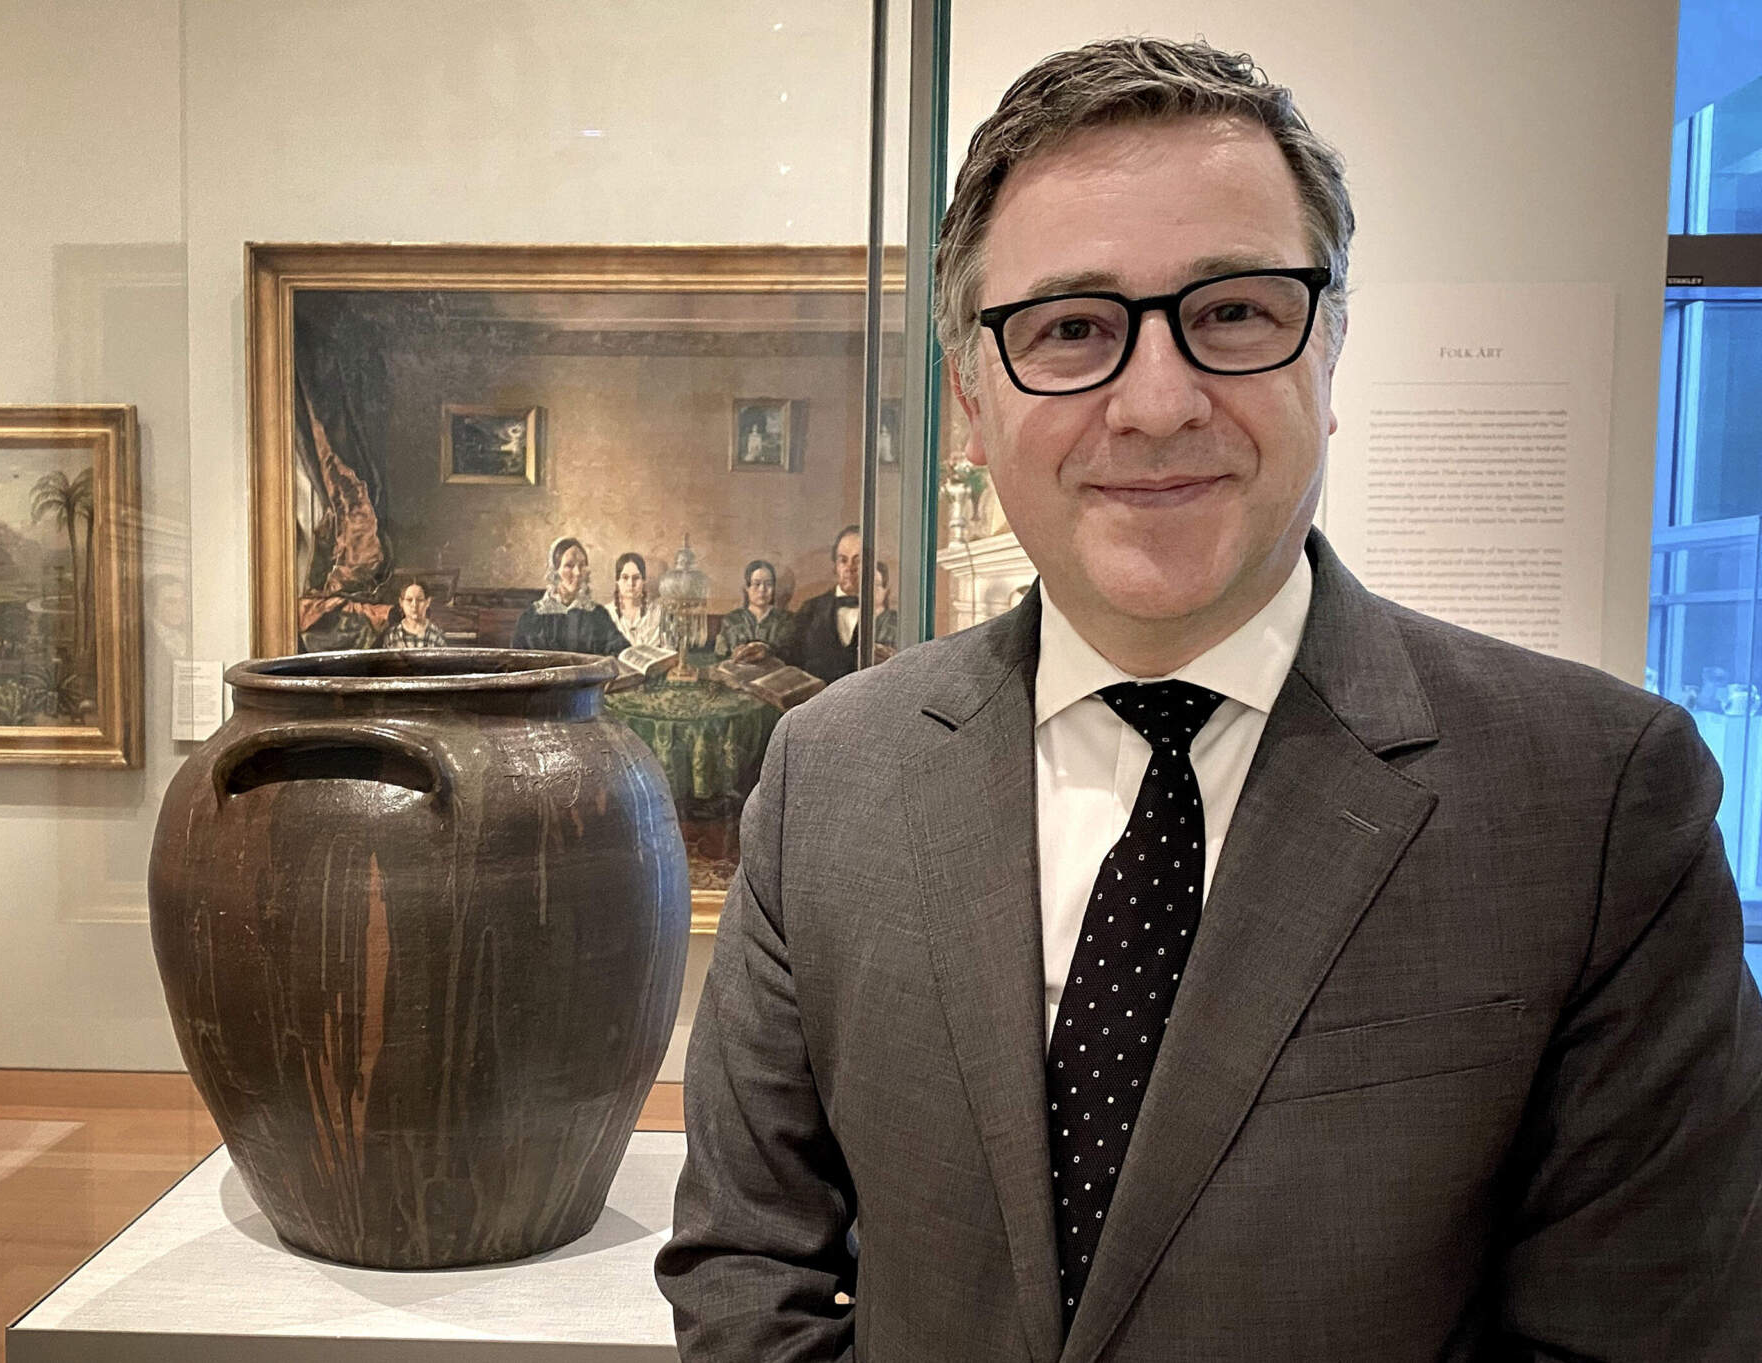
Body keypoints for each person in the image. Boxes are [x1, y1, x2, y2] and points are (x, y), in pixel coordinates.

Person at [659, 37, 1762, 1362]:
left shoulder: (1593, 798)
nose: (1157, 402)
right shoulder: (830, 772)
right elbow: (747, 1264)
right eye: (1071, 328)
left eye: (1233, 311)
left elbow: (1639, 1329)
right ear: (969, 397)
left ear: (1330, 346)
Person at [511, 536, 625, 655]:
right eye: (569, 566)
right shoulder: (532, 617)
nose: (577, 573)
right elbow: (518, 661)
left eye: (581, 565)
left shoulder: (597, 615)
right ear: (554, 571)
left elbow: (619, 649)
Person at [788, 525, 866, 682]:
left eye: (858, 561)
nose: (850, 568)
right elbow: (788, 654)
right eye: (843, 560)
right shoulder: (810, 609)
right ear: (835, 566)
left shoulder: (881, 612)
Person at [714, 559, 797, 659]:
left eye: (768, 584)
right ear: (747, 588)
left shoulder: (786, 620)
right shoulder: (731, 620)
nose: (762, 589)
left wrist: (766, 650)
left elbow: (792, 657)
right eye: (757, 584)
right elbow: (720, 658)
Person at [610, 551, 667, 649]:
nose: (630, 583)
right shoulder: (606, 614)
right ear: (617, 581)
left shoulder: (658, 613)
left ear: (644, 581)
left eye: (636, 578)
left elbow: (667, 648)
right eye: (625, 577)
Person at [378, 578, 447, 649]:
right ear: (401, 602)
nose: (414, 605)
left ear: (427, 602)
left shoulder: (436, 635)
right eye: (409, 600)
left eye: (420, 600)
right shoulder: (392, 635)